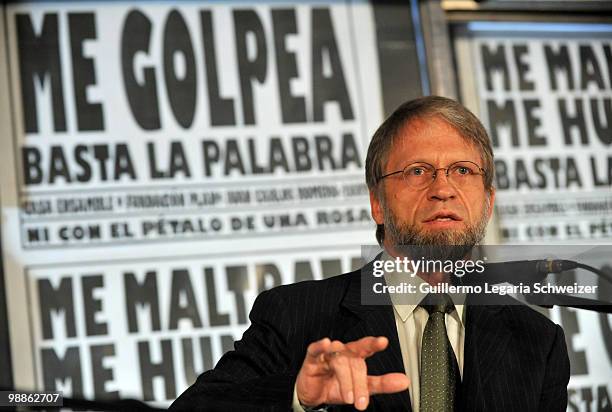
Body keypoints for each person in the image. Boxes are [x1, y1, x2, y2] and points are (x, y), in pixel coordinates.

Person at [169, 96, 570, 411]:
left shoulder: (537, 341)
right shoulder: (295, 315)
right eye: (417, 171)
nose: (443, 188)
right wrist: (298, 395)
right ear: (377, 203)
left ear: (487, 202)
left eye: (463, 171)